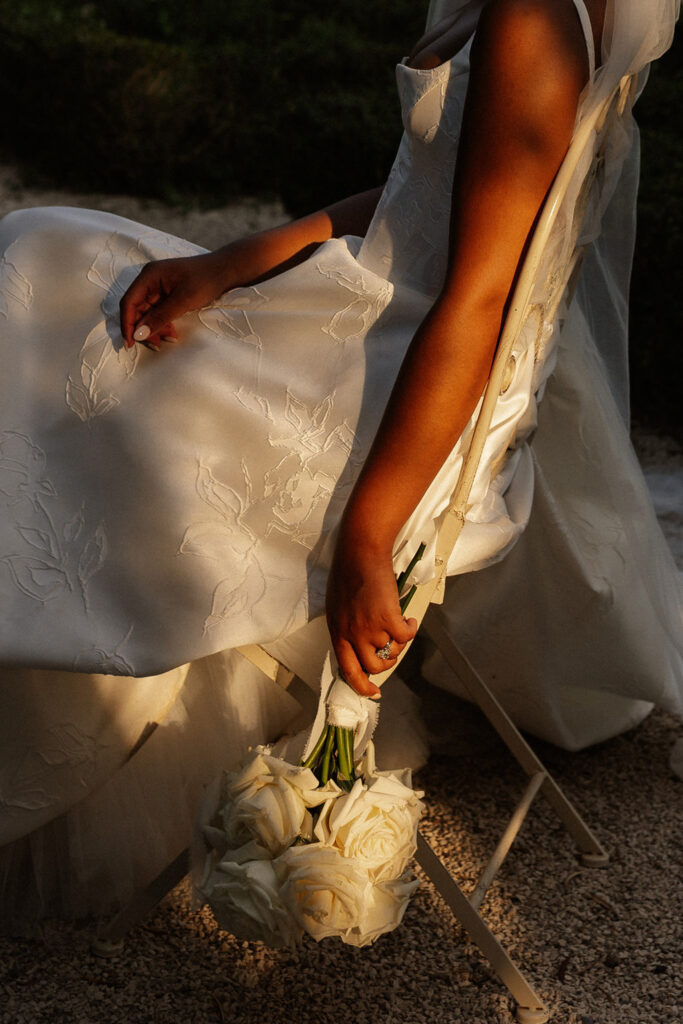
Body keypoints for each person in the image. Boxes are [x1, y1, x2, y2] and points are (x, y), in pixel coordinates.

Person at [0, 0, 679, 929]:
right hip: (382, 320)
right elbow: (428, 195)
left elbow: (477, 304)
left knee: (43, 281)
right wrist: (233, 262)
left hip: (407, 384)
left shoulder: (533, 18)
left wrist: (367, 535)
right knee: (52, 259)